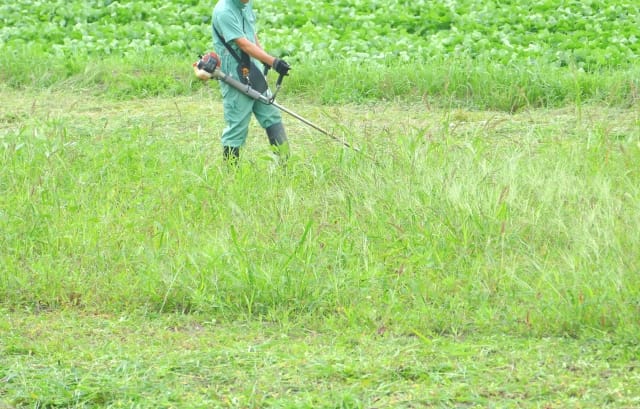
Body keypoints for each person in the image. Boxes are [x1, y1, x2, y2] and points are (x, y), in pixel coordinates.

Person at [211, 0, 291, 163]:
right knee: (237, 125)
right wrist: (273, 62)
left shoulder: (246, 4)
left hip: (252, 69)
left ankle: (285, 165)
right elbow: (243, 44)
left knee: (272, 114)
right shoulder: (224, 11)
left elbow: (250, 34)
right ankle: (232, 175)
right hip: (234, 73)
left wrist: (263, 57)